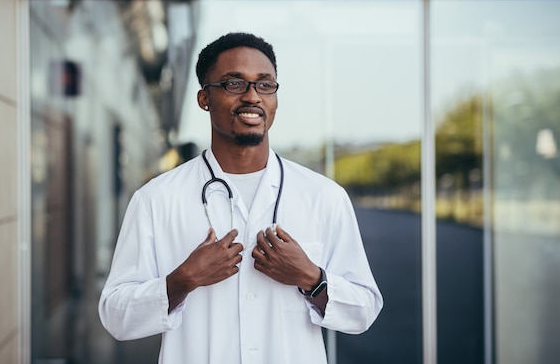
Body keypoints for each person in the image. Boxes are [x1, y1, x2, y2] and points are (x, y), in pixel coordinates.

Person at [98, 32, 383, 364]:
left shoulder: (323, 197)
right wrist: (183, 280)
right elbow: (116, 316)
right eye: (234, 84)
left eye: (265, 85)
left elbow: (364, 310)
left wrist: (310, 277)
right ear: (204, 99)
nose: (252, 97)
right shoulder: (156, 199)